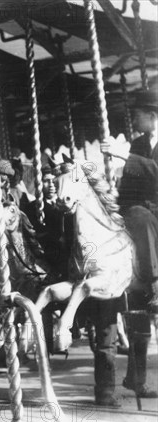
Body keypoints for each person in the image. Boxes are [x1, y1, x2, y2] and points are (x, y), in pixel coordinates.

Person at [101, 89, 158, 401]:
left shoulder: (136, 149)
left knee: (139, 215)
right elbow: (131, 186)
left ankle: (156, 281)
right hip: (139, 214)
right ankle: (136, 379)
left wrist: (127, 157)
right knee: (137, 308)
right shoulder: (138, 143)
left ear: (151, 115)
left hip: (154, 213)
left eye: (137, 114)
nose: (133, 120)